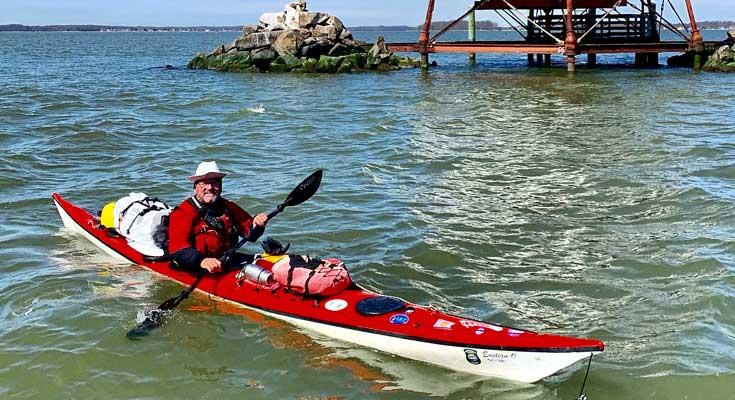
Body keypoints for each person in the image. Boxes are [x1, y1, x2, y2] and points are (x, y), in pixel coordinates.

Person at [168, 161, 268, 273]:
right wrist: (202, 261)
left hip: (227, 260)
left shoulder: (229, 207)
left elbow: (250, 235)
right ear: (195, 187)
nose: (209, 187)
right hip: (198, 267)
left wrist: (257, 224)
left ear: (220, 186)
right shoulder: (182, 213)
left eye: (214, 183)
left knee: (273, 263)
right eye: (204, 183)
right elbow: (178, 250)